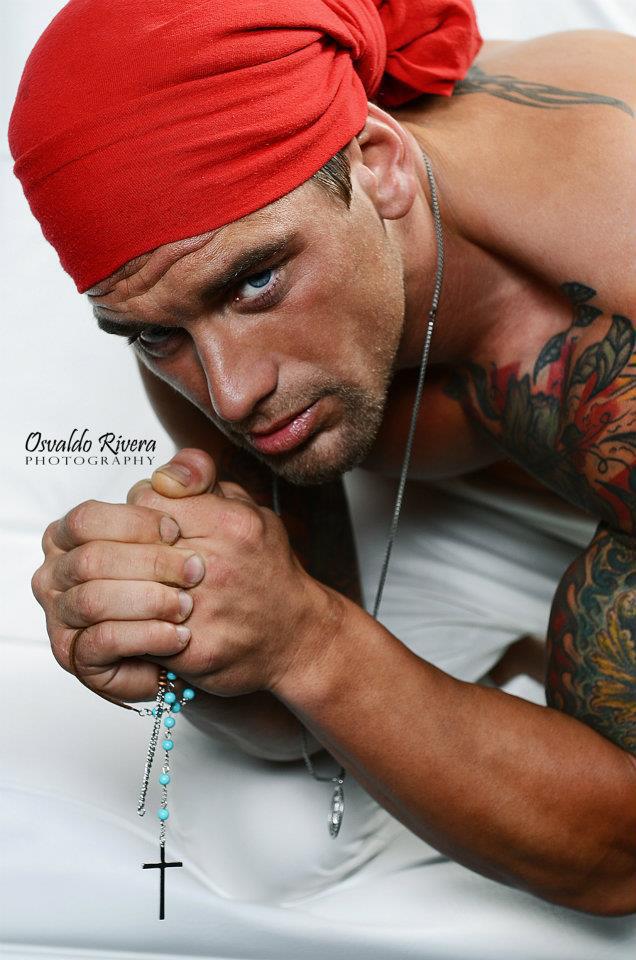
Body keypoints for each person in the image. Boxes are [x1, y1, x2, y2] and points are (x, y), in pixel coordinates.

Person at [9, 0, 636, 918]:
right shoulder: (196, 313)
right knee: (272, 832)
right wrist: (179, 632)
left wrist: (310, 638)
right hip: (506, 479)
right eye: (152, 334)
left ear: (378, 164)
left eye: (256, 281)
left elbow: (619, 860)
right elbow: (285, 719)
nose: (229, 395)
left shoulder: (610, 280)